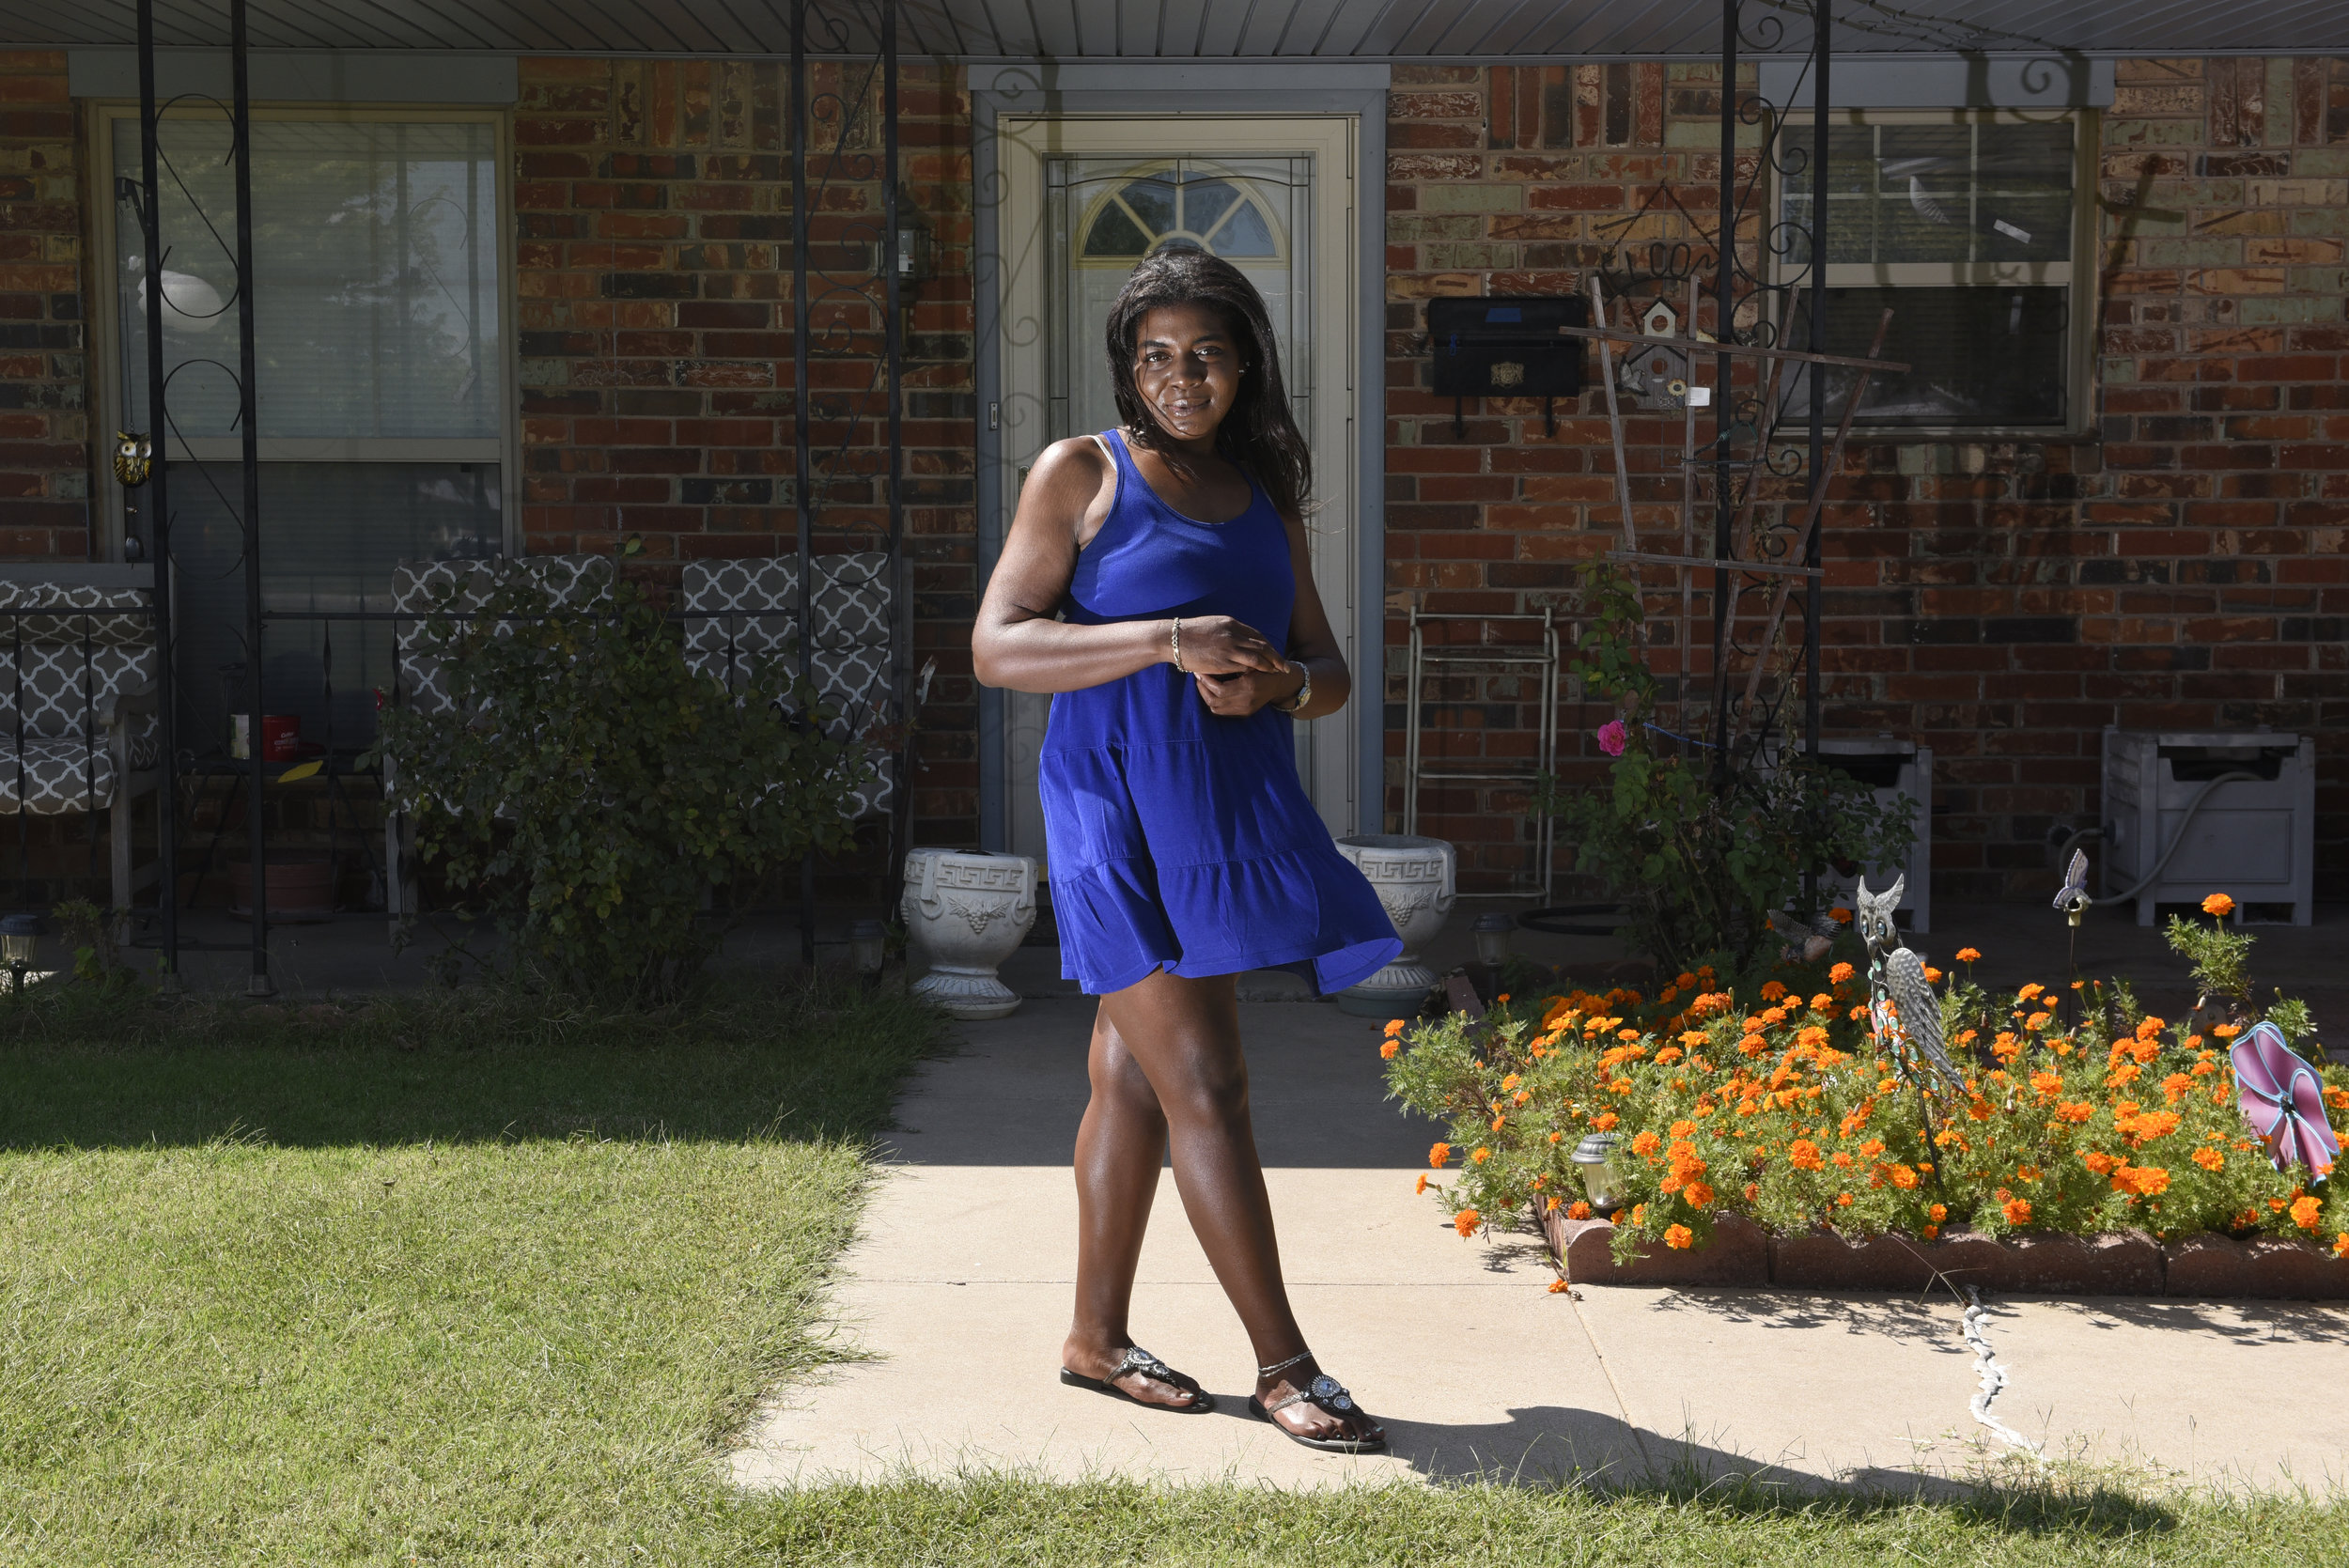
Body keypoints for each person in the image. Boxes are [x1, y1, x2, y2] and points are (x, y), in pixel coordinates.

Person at [972, 248, 1399, 1452]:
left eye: (1205, 352)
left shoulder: (1265, 495)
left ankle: (1093, 1342)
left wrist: (1274, 685)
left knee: (1130, 1077)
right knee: (1206, 1080)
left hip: (1219, 809)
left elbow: (1330, 675)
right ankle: (1286, 1367)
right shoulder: (1081, 473)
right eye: (1155, 355)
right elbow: (999, 646)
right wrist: (1165, 640)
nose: (1181, 376)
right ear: (1128, 367)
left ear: (1246, 360)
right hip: (1111, 805)